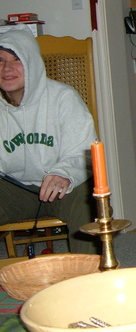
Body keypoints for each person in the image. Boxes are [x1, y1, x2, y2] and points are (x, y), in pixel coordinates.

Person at [0, 26, 98, 254]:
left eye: (17, 60)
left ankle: (88, 278)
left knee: (87, 202)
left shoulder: (63, 98)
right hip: (16, 191)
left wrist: (63, 173)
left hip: (64, 189)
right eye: (1, 60)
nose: (7, 69)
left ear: (32, 63)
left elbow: (84, 153)